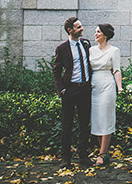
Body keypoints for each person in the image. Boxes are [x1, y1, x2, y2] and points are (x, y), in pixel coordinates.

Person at [52, 17, 92, 169]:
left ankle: (83, 156)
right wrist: (62, 89)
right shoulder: (62, 48)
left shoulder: (86, 43)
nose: (82, 29)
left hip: (85, 90)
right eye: (78, 27)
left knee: (84, 124)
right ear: (70, 30)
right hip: (70, 90)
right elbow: (56, 71)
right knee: (67, 125)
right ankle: (66, 159)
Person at [90, 23, 122, 167]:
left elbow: (116, 70)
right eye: (95, 32)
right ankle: (104, 153)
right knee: (97, 120)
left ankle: (102, 154)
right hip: (93, 86)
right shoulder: (91, 50)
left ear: (106, 35)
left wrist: (119, 87)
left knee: (106, 118)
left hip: (107, 86)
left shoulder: (114, 51)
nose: (96, 34)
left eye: (98, 32)